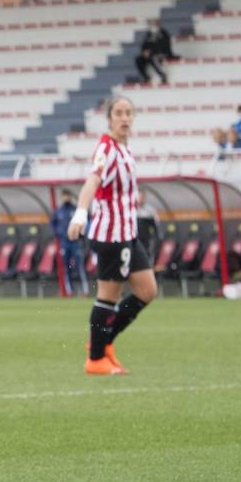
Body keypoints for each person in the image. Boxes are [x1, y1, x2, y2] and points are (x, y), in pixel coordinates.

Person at [67, 96, 155, 375]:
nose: (125, 118)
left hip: (129, 232)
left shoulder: (125, 148)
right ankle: (95, 358)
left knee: (147, 290)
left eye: (129, 112)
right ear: (110, 118)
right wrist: (81, 213)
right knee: (108, 296)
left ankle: (104, 341)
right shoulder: (106, 148)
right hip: (111, 234)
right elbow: (93, 180)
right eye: (119, 113)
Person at [51, 188, 88, 297]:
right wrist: (60, 233)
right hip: (64, 243)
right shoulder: (58, 211)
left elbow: (85, 221)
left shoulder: (76, 210)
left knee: (80, 266)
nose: (66, 198)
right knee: (66, 267)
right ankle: (69, 291)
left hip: (76, 242)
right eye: (64, 196)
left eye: (67, 195)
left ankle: (84, 291)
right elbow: (53, 224)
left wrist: (81, 234)